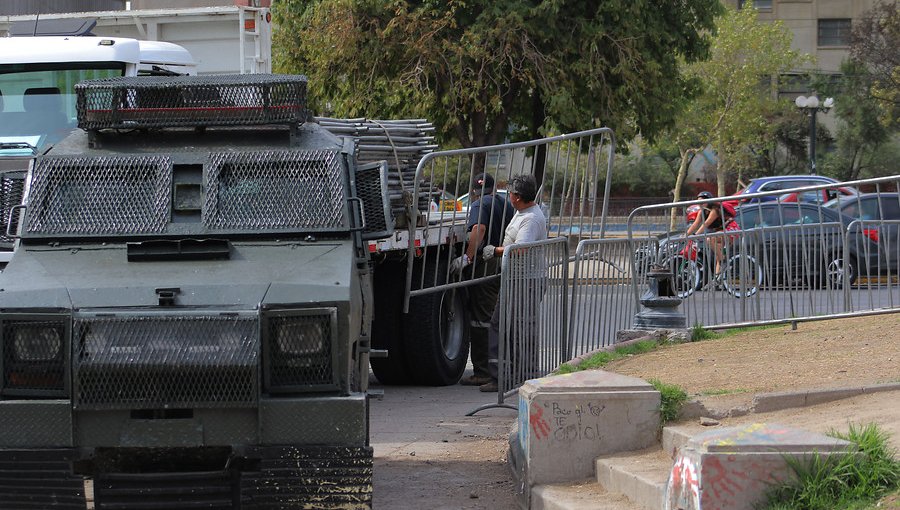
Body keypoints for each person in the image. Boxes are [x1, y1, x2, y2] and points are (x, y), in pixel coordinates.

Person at [479, 174, 547, 392]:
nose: (508, 196)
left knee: (522, 329)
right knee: (501, 326)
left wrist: (495, 251)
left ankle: (525, 378)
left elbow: (521, 248)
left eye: (510, 193)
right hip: (515, 280)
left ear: (517, 196)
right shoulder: (522, 213)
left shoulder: (531, 218)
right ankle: (502, 377)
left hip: (526, 281)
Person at [449, 173, 514, 386]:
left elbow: (479, 229)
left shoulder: (479, 205)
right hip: (501, 261)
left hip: (486, 264)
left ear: (474, 193)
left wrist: (467, 257)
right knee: (494, 315)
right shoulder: (505, 204)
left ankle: (484, 371)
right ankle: (502, 366)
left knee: (481, 319)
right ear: (494, 188)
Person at [684, 191, 739, 275]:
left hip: (731, 229)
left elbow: (706, 224)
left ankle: (723, 260)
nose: (700, 204)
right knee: (718, 256)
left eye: (702, 201)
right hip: (720, 231)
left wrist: (695, 235)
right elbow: (695, 224)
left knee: (710, 239)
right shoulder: (701, 212)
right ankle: (718, 279)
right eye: (698, 201)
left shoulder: (715, 210)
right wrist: (685, 235)